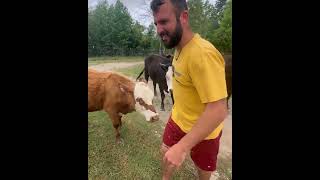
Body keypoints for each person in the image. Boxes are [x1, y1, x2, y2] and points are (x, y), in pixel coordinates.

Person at [150, 0, 229, 179]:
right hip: (178, 119)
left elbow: (218, 110)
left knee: (203, 170)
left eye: (164, 22)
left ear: (183, 17)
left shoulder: (203, 54)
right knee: (166, 152)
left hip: (205, 133)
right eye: (156, 24)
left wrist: (182, 147)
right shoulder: (179, 48)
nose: (158, 30)